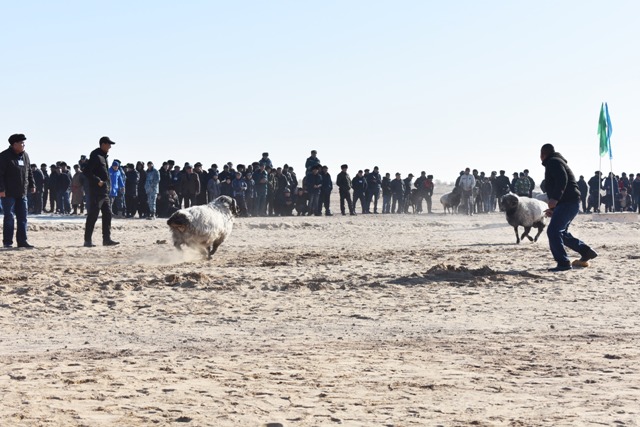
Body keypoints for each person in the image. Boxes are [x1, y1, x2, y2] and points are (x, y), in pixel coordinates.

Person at [540, 143, 597, 271]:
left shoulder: (553, 162)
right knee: (561, 233)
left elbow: (562, 179)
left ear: (543, 154)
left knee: (553, 231)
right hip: (568, 203)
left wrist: (555, 198)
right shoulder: (556, 161)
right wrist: (554, 209)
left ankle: (563, 263)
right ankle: (586, 251)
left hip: (568, 202)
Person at [0, 133, 35, 248]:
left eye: (23, 142)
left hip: (22, 192)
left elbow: (29, 171)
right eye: (21, 143)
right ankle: (8, 242)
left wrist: (32, 184)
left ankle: (22, 241)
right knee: (9, 217)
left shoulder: (25, 156)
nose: (23, 145)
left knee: (23, 217)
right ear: (14, 144)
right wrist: (1, 189)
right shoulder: (4, 156)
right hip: (8, 193)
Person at [83, 136, 119, 247]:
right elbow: (87, 171)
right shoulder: (95, 155)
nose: (110, 147)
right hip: (96, 193)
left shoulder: (104, 156)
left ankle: (106, 240)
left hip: (105, 192)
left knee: (108, 215)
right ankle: (87, 241)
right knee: (93, 216)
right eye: (109, 144)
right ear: (103, 144)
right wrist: (97, 180)